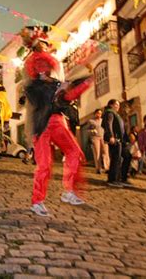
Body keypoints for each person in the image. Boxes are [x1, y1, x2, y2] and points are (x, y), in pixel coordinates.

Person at [21, 26, 92, 216]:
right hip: (42, 125)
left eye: (47, 67)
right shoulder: (33, 87)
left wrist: (86, 83)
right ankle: (37, 201)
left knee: (74, 153)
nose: (44, 69)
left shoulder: (57, 84)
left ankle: (69, 192)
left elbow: (67, 98)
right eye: (40, 67)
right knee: (44, 165)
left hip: (58, 122)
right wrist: (58, 90)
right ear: (35, 69)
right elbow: (43, 100)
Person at [102, 99, 129, 187]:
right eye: (116, 104)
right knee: (116, 159)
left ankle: (122, 178)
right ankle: (112, 179)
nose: (118, 106)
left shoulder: (116, 114)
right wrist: (111, 136)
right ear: (111, 105)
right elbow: (108, 124)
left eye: (118, 105)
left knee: (127, 156)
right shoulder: (109, 113)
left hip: (120, 140)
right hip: (114, 139)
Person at [88, 108, 109, 174]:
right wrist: (92, 131)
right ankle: (98, 169)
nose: (99, 115)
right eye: (97, 113)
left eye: (100, 113)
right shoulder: (91, 121)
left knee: (105, 152)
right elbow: (88, 130)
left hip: (103, 137)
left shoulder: (103, 121)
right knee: (97, 153)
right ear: (95, 114)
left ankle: (107, 167)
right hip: (95, 137)